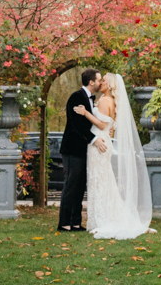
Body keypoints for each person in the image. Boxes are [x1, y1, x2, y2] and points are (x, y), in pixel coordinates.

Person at [73, 72, 154, 238]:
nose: (101, 82)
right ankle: (103, 217)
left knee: (98, 180)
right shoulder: (112, 102)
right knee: (104, 180)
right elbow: (111, 124)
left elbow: (102, 124)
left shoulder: (103, 100)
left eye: (103, 80)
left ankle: (102, 220)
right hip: (104, 142)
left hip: (99, 144)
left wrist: (85, 113)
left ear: (109, 85)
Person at [57, 68, 104, 232]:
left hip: (83, 150)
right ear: (91, 82)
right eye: (99, 80)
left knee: (79, 186)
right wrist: (94, 140)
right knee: (71, 184)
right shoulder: (76, 97)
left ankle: (76, 223)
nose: (101, 83)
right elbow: (76, 125)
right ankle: (64, 223)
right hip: (72, 149)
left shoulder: (91, 99)